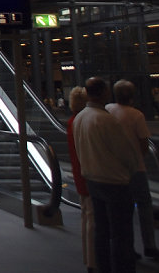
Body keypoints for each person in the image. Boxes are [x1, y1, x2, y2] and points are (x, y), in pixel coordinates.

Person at [73, 77, 141, 273]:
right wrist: (131, 170)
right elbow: (126, 153)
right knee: (121, 232)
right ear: (103, 92)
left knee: (101, 230)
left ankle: (102, 265)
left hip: (92, 179)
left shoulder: (80, 117)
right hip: (114, 181)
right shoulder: (105, 119)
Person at [106, 80, 159, 260]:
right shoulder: (136, 115)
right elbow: (144, 143)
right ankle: (149, 245)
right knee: (144, 205)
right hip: (136, 168)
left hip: (114, 168)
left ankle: (126, 246)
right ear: (132, 95)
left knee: (123, 208)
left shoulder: (109, 110)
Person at [67, 86, 96, 273]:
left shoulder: (72, 122)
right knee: (94, 218)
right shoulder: (86, 122)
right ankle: (94, 259)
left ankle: (89, 257)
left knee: (87, 216)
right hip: (93, 175)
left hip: (80, 174)